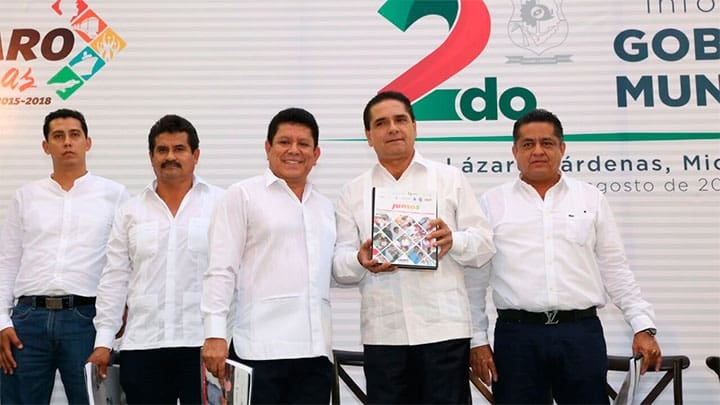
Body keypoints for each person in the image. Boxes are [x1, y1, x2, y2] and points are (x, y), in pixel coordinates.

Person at [468, 108, 662, 404]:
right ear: (515, 152)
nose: (538, 151)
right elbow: (475, 280)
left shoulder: (590, 198)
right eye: (528, 144)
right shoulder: (491, 203)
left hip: (580, 335)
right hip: (517, 338)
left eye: (547, 143)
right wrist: (478, 340)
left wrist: (642, 326)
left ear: (562, 148)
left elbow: (615, 268)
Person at [333, 91, 495, 404]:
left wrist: (453, 240)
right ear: (369, 136)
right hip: (384, 334)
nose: (392, 128)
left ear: (414, 126)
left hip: (444, 332)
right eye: (381, 123)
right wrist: (359, 259)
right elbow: (340, 267)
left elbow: (484, 244)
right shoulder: (352, 192)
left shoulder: (449, 179)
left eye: (400, 120)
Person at [201, 107, 336, 404]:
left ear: (316, 154)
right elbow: (221, 269)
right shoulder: (242, 195)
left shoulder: (325, 207)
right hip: (258, 351)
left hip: (315, 354)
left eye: (303, 144)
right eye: (284, 142)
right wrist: (214, 333)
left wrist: (362, 259)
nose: (294, 150)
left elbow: (332, 270)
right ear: (267, 148)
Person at [86, 114, 224, 404]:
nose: (170, 156)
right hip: (143, 346)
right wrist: (103, 343)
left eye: (179, 149)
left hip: (203, 345)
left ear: (196, 155)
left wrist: (221, 335)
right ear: (151, 157)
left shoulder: (222, 204)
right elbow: (114, 278)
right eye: (162, 150)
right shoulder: (130, 211)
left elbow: (231, 273)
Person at [0, 108, 128, 404]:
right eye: (58, 136)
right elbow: (7, 261)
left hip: (86, 320)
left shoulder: (115, 195)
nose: (67, 142)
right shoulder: (26, 196)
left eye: (74, 135)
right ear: (46, 146)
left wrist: (113, 322)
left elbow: (124, 264)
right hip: (26, 322)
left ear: (88, 142)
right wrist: (3, 322)